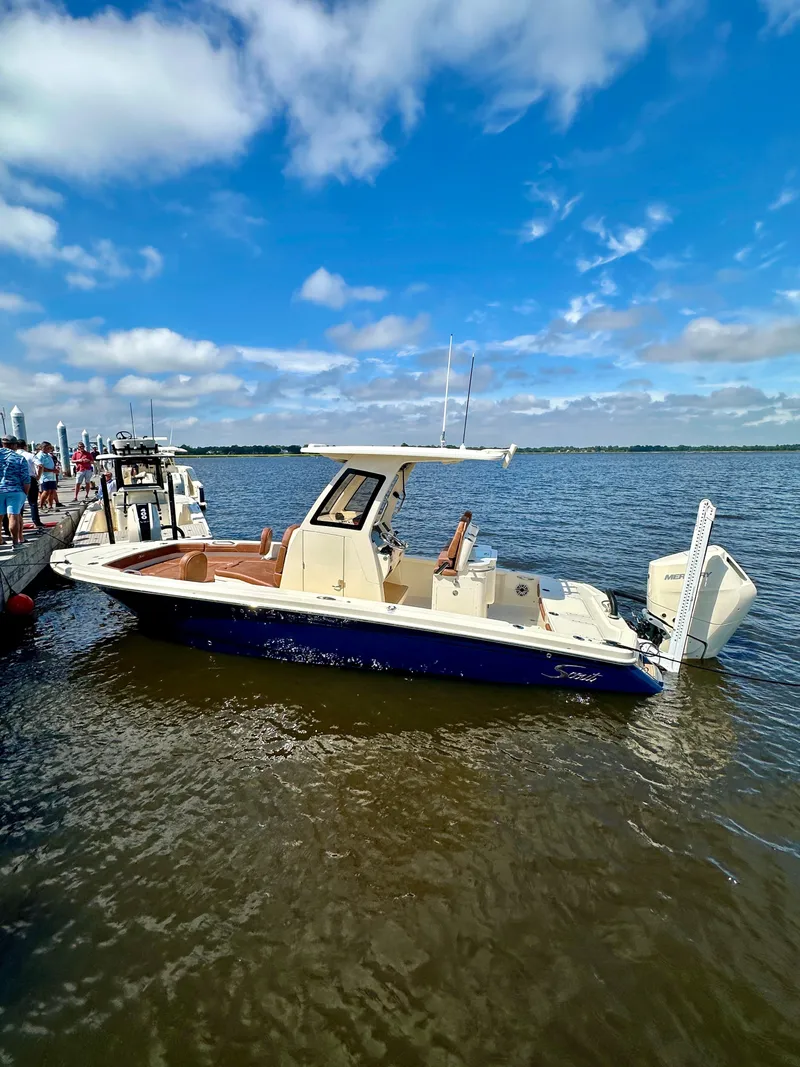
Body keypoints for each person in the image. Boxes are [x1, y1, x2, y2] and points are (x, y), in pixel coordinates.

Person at [0, 434, 31, 548]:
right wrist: (25, 493)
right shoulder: (19, 458)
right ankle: (15, 543)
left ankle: (0, 539)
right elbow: (26, 479)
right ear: (14, 445)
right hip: (15, 490)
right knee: (13, 515)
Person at [16, 439, 45, 531]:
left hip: (18, 479)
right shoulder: (30, 455)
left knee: (19, 503)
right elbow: (40, 465)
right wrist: (38, 476)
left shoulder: (14, 455)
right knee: (33, 502)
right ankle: (36, 522)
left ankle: (19, 523)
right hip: (30, 478)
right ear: (25, 446)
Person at [35, 441, 59, 511]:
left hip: (52, 476)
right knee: (46, 491)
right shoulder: (40, 456)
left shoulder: (48, 455)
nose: (50, 449)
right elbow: (41, 467)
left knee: (52, 491)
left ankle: (50, 505)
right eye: (48, 448)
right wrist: (52, 470)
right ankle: (41, 506)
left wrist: (55, 469)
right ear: (44, 447)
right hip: (45, 477)